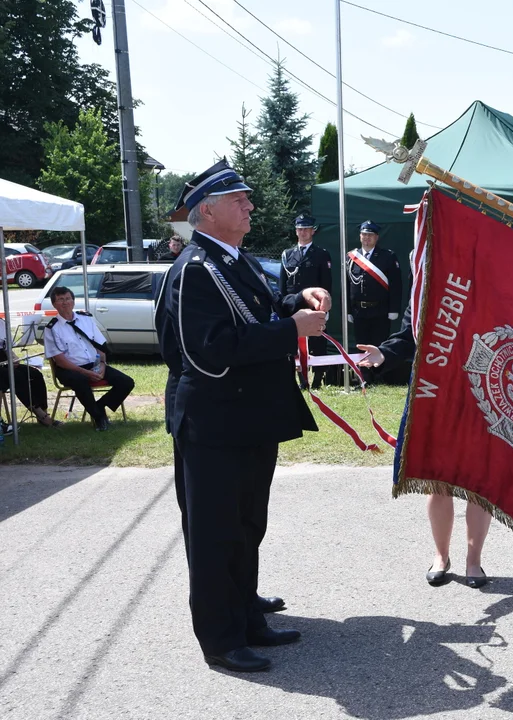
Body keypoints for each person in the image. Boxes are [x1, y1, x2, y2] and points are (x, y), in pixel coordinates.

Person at [160, 160, 330, 673]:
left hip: (248, 418)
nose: (251, 206)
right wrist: (291, 329)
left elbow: (258, 310)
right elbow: (210, 350)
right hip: (214, 424)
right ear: (206, 212)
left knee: (247, 524)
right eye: (240, 200)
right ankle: (220, 638)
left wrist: (296, 299)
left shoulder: (235, 259)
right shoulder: (194, 268)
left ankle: (246, 615)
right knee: (215, 532)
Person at [356, 299, 493, 589]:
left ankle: (473, 560)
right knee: (436, 480)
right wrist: (384, 352)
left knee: (479, 483)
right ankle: (441, 557)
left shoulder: (489, 280)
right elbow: (410, 334)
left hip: (480, 390)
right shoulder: (428, 278)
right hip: (433, 392)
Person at [42, 286, 134, 431]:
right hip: (69, 368)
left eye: (68, 298)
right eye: (60, 300)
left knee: (126, 382)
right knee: (80, 381)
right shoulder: (51, 328)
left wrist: (102, 365)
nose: (65, 303)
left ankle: (99, 406)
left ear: (73, 300)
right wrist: (85, 372)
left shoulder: (86, 319)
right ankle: (98, 418)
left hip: (94, 363)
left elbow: (100, 346)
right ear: (54, 304)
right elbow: (60, 360)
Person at [280, 212, 333, 388]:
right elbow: (282, 286)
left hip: (314, 306)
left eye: (306, 229)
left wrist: (324, 309)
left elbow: (326, 285)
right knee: (294, 344)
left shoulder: (321, 254)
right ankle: (301, 380)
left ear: (312, 231)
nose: (303, 233)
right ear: (296, 231)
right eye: (300, 229)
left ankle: (317, 380)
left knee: (317, 343)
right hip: (293, 307)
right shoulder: (287, 255)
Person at [347, 220, 401, 383]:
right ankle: (364, 377)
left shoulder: (387, 256)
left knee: (379, 343)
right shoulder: (352, 257)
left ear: (377, 237)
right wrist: (349, 310)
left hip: (380, 310)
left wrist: (394, 309)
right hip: (359, 310)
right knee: (361, 344)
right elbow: (348, 286)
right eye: (364, 234)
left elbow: (396, 285)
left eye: (370, 235)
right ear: (360, 236)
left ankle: (378, 376)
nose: (366, 238)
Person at [0, 317, 62, 428]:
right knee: (16, 376)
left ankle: (43, 410)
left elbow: (6, 346)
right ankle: (41, 415)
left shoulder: (2, 323)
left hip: (3, 358)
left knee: (34, 374)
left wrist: (13, 357)